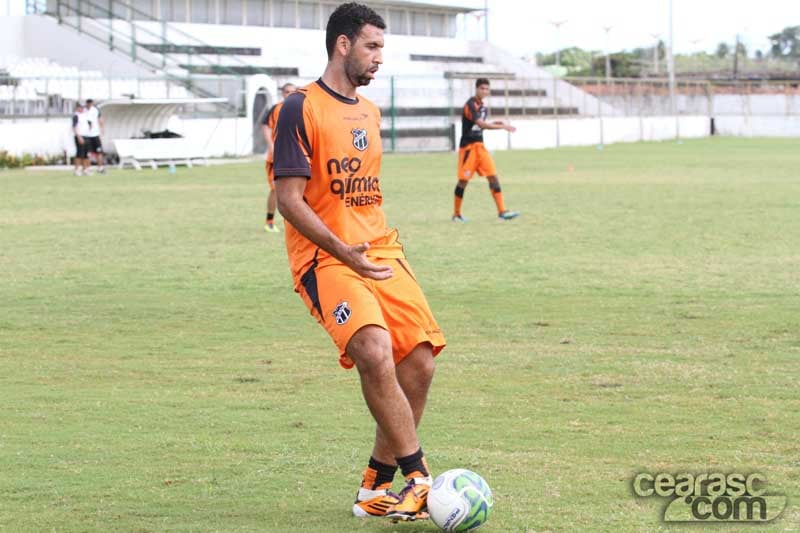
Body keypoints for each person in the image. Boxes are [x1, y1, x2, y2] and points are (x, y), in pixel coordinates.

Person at [273, 2, 445, 522]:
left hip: (380, 249)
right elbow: (289, 198)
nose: (379, 58)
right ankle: (420, 479)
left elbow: (361, 194)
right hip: (325, 259)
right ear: (342, 45)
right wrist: (342, 250)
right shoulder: (299, 108)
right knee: (373, 349)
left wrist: (366, 248)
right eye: (372, 46)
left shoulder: (368, 111)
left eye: (381, 48)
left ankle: (376, 488)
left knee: (418, 360)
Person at [452, 78, 519, 222]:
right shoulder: (470, 105)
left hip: (480, 147)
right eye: (482, 88)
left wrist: (497, 123)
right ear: (476, 89)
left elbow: (479, 125)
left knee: (493, 176)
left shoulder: (482, 107)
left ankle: (502, 211)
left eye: (486, 89)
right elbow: (481, 124)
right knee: (463, 181)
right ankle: (456, 214)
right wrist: (501, 127)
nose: (484, 91)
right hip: (468, 148)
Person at [262, 82, 297, 233]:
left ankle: (297, 223)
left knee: (298, 190)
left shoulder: (299, 108)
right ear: (283, 93)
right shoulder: (276, 109)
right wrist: (271, 145)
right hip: (275, 158)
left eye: (292, 92)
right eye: (287, 92)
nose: (289, 94)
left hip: (294, 156)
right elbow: (265, 126)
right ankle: (269, 221)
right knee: (276, 189)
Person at [84, 99, 106, 174]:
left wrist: (102, 128)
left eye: (90, 102)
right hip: (87, 135)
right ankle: (87, 169)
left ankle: (100, 168)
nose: (89, 104)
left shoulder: (96, 110)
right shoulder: (83, 110)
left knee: (99, 152)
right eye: (88, 102)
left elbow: (100, 119)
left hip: (95, 134)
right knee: (88, 153)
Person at [72, 102, 90, 176]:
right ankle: (77, 170)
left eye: (83, 107)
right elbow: (74, 127)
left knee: (86, 154)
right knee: (79, 154)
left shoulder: (85, 115)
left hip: (86, 136)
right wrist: (79, 137)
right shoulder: (76, 116)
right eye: (80, 107)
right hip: (80, 136)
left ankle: (85, 170)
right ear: (77, 108)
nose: (82, 109)